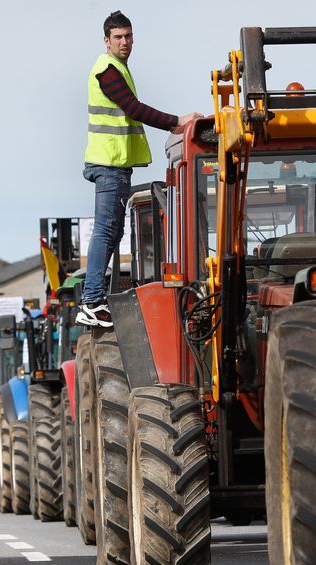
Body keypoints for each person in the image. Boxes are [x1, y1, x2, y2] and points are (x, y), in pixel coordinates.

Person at [76, 10, 201, 327]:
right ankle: (92, 300)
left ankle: (94, 299)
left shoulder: (117, 68)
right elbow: (133, 108)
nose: (124, 42)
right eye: (118, 37)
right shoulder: (107, 70)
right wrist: (177, 122)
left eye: (128, 36)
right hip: (109, 164)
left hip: (116, 164)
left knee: (114, 231)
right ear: (106, 40)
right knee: (106, 230)